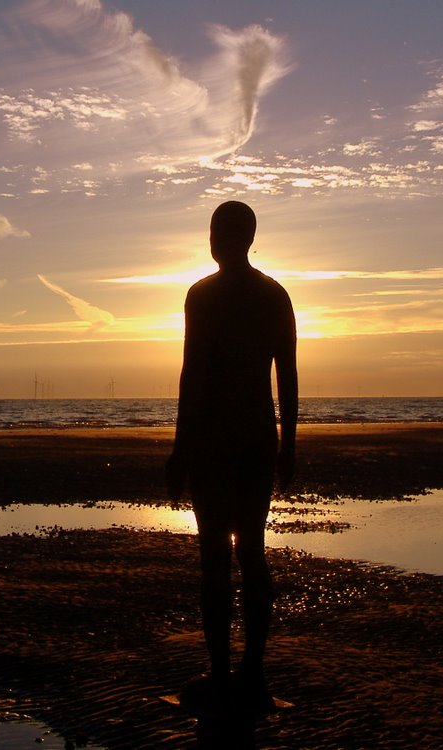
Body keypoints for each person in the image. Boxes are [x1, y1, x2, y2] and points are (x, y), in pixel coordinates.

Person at [166, 200, 298, 711]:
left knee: (218, 556)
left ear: (233, 237)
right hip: (256, 437)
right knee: (250, 552)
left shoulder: (204, 296)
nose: (212, 240)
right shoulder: (273, 295)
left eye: (216, 231)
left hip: (218, 439)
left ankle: (232, 673)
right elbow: (286, 377)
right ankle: (246, 673)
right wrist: (288, 444)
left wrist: (180, 449)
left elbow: (191, 375)